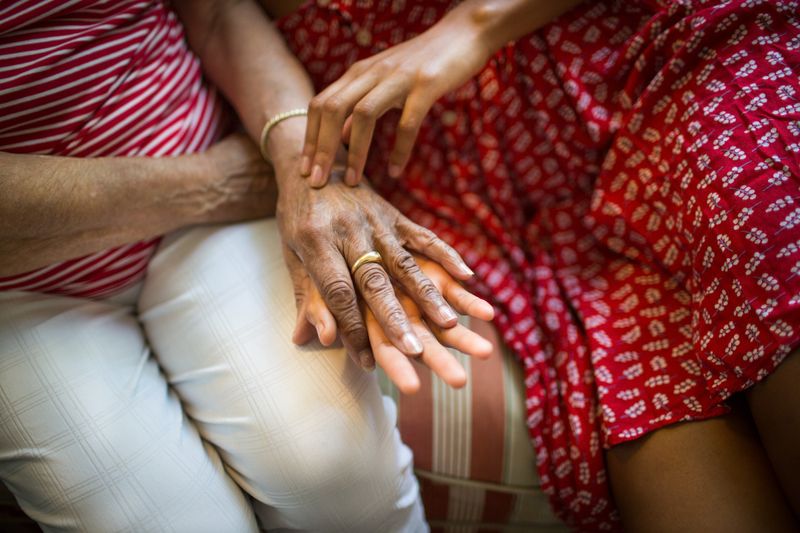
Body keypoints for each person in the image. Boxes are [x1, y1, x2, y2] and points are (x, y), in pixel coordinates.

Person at [276, 0, 800, 530]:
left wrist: (475, 24)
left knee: (768, 263)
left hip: (667, 80)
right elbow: (229, 41)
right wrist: (312, 183)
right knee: (658, 430)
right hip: (534, 226)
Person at [0, 0, 496, 531]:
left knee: (340, 474)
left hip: (210, 208)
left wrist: (298, 163)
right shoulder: (233, 185)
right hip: (21, 292)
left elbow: (215, 12)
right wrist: (226, 183)